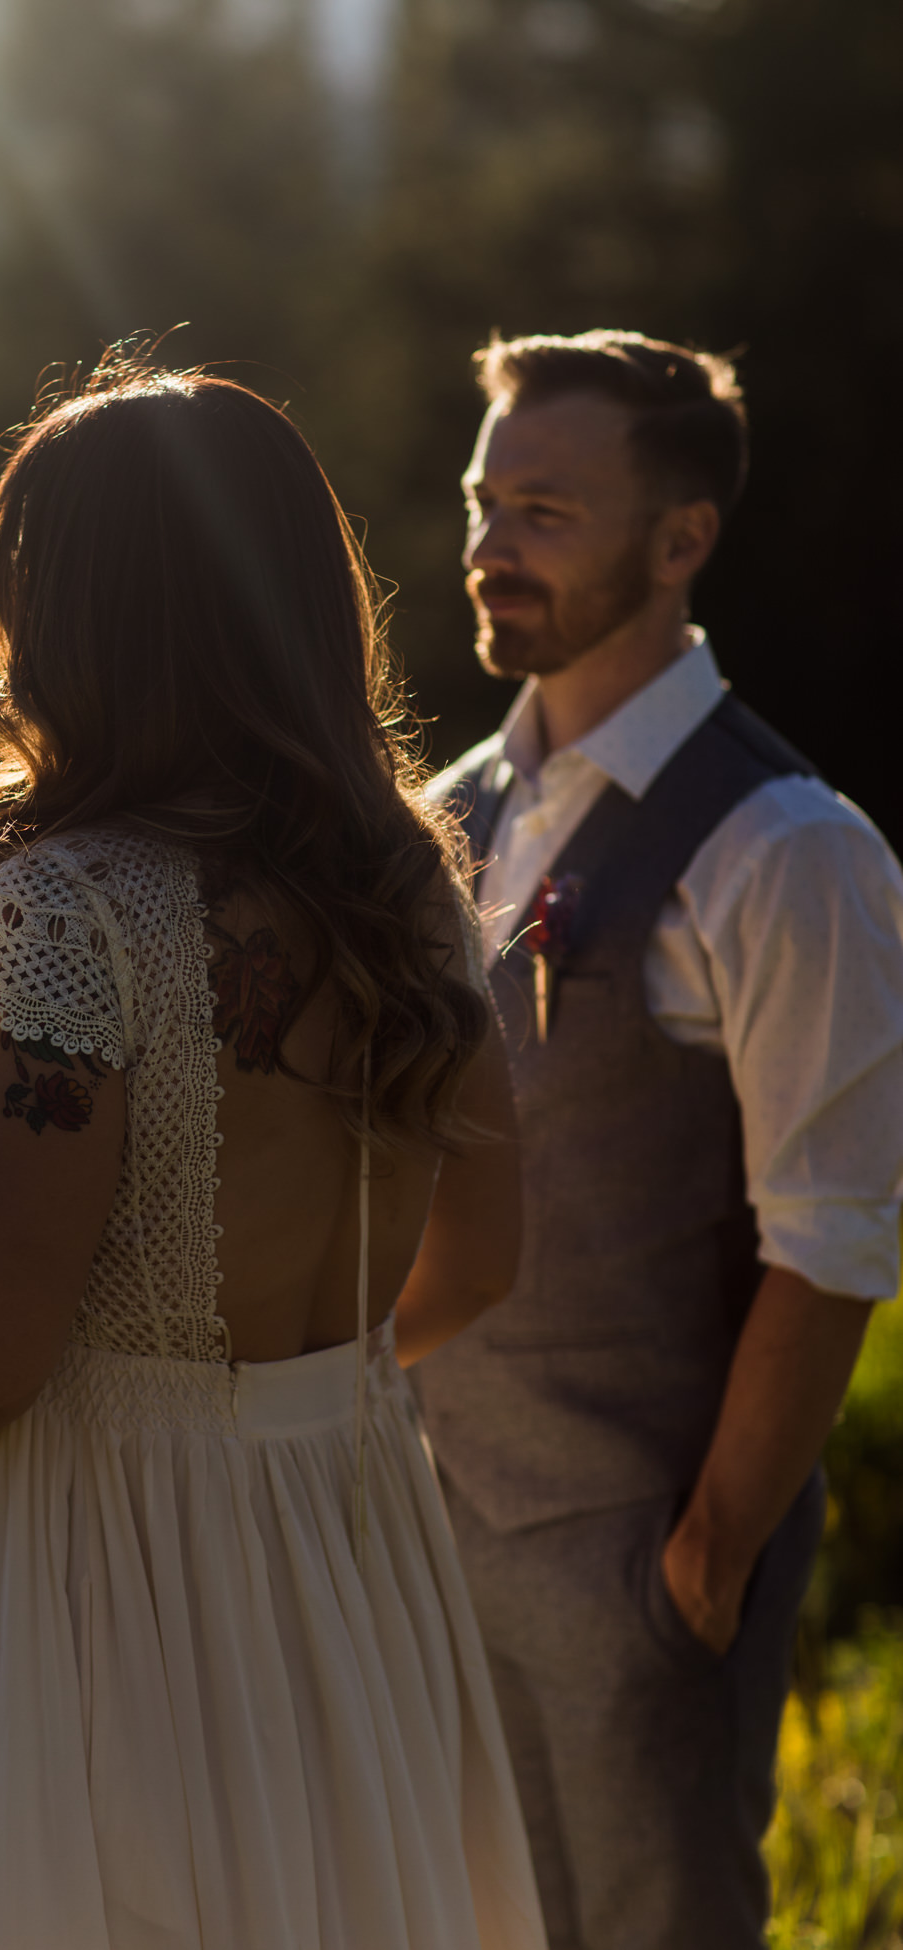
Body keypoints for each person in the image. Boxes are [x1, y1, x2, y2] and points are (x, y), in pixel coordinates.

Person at [0, 349, 547, 1950]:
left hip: (120, 1572)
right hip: (351, 1532)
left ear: (74, 617)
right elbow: (484, 1257)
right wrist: (298, 1393)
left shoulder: (59, 917)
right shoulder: (411, 894)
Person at [419, 329, 903, 1950]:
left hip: (642, 1568)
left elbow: (832, 1243)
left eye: (545, 511)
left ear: (682, 538)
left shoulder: (789, 849)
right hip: (436, 1536)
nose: (490, 547)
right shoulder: (455, 808)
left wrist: (702, 1567)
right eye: (484, 501)